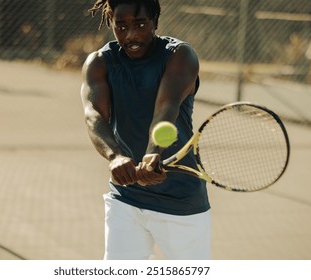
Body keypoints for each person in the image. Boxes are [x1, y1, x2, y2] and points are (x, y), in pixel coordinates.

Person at [80, 0, 211, 260]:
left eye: (140, 25)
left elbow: (166, 106)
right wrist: (115, 156)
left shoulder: (180, 56)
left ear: (155, 22)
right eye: (122, 26)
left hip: (181, 202)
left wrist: (154, 152)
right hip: (126, 199)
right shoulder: (99, 63)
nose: (131, 35)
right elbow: (93, 115)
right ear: (111, 23)